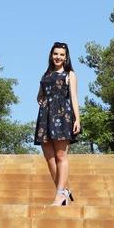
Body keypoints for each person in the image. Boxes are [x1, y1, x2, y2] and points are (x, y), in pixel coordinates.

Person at [34, 41, 81, 205]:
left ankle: (60, 194)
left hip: (62, 117)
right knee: (49, 158)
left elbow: (74, 98)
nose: (58, 57)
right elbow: (39, 95)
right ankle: (64, 191)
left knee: (61, 156)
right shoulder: (46, 74)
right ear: (51, 55)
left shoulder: (70, 75)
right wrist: (41, 100)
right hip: (45, 117)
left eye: (61, 54)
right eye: (56, 54)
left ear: (66, 57)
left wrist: (78, 119)